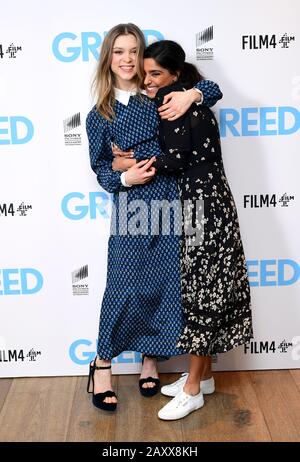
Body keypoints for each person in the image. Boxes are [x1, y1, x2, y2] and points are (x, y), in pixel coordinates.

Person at [86, 23, 223, 412]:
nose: (127, 59)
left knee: (162, 286)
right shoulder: (100, 115)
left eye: (133, 51)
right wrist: (124, 173)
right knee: (123, 285)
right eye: (119, 52)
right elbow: (101, 169)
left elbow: (210, 91)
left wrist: (191, 94)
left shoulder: (158, 96)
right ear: (108, 60)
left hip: (171, 202)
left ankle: (151, 360)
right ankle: (101, 365)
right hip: (132, 205)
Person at [113, 40, 253, 420]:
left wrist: (130, 160)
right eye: (145, 75)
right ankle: (204, 377)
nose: (149, 81)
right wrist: (194, 92)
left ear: (175, 73)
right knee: (208, 289)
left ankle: (192, 389)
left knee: (202, 297)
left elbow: (175, 159)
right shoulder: (193, 98)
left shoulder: (174, 101)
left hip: (200, 210)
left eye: (155, 73)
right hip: (215, 205)